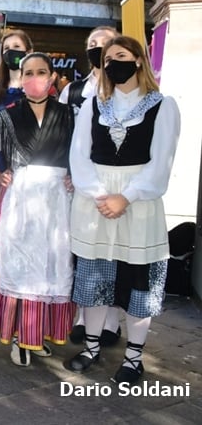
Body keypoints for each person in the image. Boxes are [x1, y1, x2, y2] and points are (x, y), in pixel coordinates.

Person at [68, 35, 180, 384]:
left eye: (121, 55)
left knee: (138, 284)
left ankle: (134, 357)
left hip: (138, 206)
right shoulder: (93, 105)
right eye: (107, 57)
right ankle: (90, 347)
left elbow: (161, 161)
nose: (113, 62)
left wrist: (125, 197)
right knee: (94, 279)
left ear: (138, 60)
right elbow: (79, 155)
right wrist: (101, 195)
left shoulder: (163, 105)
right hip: (95, 205)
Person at [0, 52, 75, 367]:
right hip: (18, 200)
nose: (34, 78)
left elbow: (80, 156)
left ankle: (37, 336)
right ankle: (22, 335)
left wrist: (74, 177)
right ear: (20, 79)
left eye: (40, 72)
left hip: (54, 203)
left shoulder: (70, 114)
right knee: (20, 266)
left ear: (52, 77)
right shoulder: (5, 115)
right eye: (28, 73)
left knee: (50, 265)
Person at [58, 26, 123, 347]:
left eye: (106, 44)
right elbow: (59, 135)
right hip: (78, 183)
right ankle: (83, 317)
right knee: (82, 250)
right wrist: (66, 171)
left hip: (114, 184)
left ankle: (111, 320)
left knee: (113, 251)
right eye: (92, 45)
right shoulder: (72, 91)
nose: (98, 49)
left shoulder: (128, 91)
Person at [0, 29, 33, 202]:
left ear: (29, 52)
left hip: (31, 175)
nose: (11, 51)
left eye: (17, 46)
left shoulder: (40, 89)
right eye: (6, 48)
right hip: (0, 172)